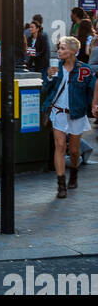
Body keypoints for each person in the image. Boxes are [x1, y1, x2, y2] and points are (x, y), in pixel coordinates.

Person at [42, 36, 96, 198]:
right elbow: (46, 88)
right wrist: (50, 77)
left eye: (63, 48)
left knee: (73, 151)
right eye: (59, 48)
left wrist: (94, 105)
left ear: (73, 51)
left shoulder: (85, 70)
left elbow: (94, 86)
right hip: (58, 112)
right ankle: (61, 184)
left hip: (76, 113)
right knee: (60, 146)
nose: (59, 51)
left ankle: (74, 172)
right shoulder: (55, 68)